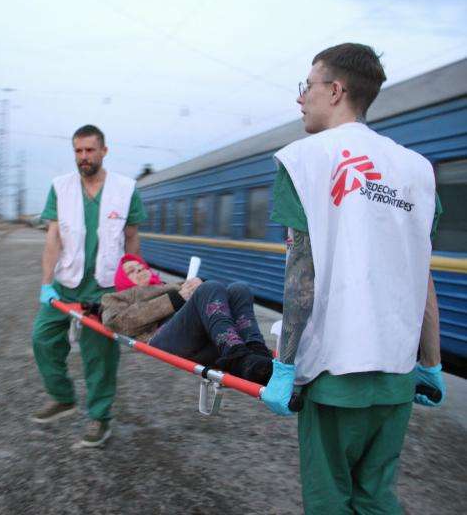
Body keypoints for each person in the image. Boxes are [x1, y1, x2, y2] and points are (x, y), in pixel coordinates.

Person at [261, 43, 447, 514]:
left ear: (336, 90)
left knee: (329, 501)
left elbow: (299, 275)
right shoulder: (417, 170)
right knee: (378, 498)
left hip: (334, 374)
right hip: (397, 376)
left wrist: (284, 368)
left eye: (308, 86)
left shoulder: (304, 161)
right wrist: (432, 361)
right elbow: (420, 274)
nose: (301, 98)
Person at [31, 125, 147, 448]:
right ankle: (62, 397)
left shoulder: (125, 189)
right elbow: (53, 237)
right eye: (78, 151)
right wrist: (46, 283)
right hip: (66, 284)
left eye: (90, 150)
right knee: (42, 339)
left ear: (104, 151)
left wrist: (131, 284)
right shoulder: (61, 188)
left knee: (100, 356)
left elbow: (132, 238)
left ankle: (99, 417)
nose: (84, 157)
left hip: (105, 289)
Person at [101, 254, 273, 384]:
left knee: (239, 289)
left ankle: (257, 352)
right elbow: (116, 322)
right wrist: (177, 298)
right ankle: (238, 359)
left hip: (201, 338)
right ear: (122, 279)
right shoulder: (116, 297)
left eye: (141, 266)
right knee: (210, 287)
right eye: (131, 271)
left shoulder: (170, 285)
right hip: (161, 340)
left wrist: (195, 286)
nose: (139, 270)